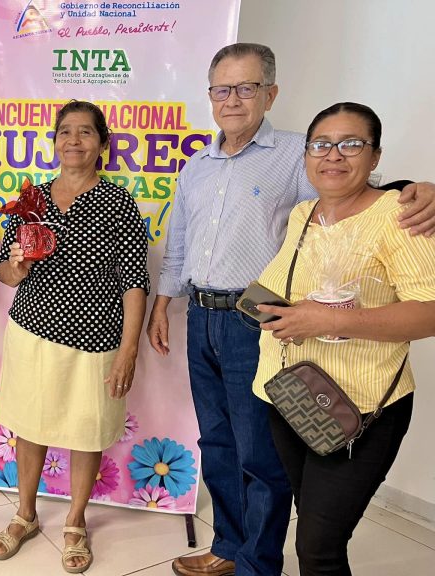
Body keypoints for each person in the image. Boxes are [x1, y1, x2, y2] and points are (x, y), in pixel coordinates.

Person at [146, 43, 435, 576]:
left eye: (247, 87)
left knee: (262, 457)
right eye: (222, 89)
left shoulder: (294, 155)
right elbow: (180, 242)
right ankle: (229, 547)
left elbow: (352, 199)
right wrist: (164, 303)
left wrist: (415, 191)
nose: (233, 99)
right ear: (210, 97)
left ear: (270, 93)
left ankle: (258, 562)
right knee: (217, 441)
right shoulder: (197, 166)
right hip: (205, 318)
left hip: (261, 323)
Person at [253, 102, 435, 576]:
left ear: (375, 157)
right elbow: (289, 287)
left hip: (362, 406)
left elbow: (430, 314)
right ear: (307, 154)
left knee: (318, 547)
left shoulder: (402, 216)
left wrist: (327, 320)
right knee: (313, 524)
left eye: (351, 144)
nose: (333, 155)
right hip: (291, 393)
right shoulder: (303, 213)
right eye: (321, 144)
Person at [0, 100, 150, 573]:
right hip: (32, 331)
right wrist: (17, 267)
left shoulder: (118, 202)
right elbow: (3, 271)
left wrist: (129, 350)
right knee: (30, 422)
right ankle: (25, 514)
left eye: (85, 132)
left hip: (97, 338)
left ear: (103, 143)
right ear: (54, 141)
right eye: (65, 132)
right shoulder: (30, 199)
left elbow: (134, 280)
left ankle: (75, 521)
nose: (73, 140)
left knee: (86, 428)